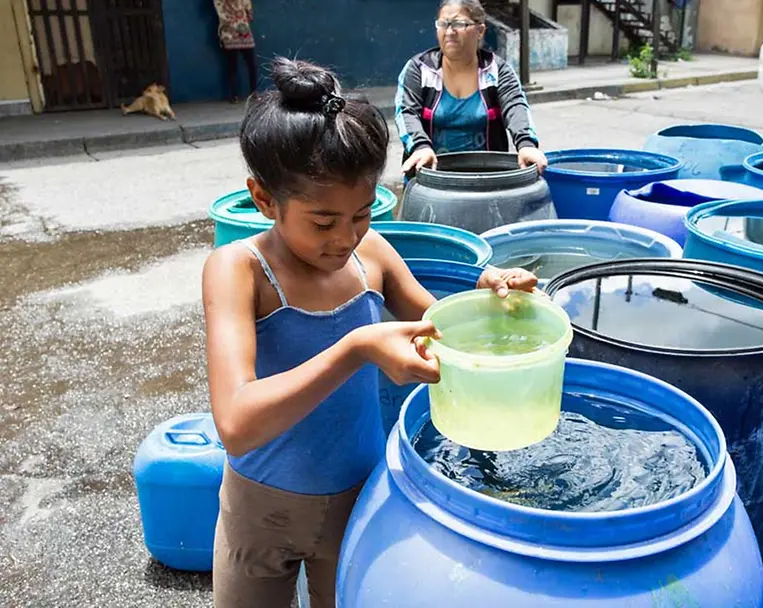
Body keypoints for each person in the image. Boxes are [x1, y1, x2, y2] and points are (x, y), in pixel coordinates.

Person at [202, 57, 538, 607]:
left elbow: (443, 329)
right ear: (264, 198)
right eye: (322, 222)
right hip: (260, 509)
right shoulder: (239, 271)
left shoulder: (372, 254)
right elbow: (236, 423)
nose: (345, 238)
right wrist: (356, 346)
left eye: (361, 214)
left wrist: (496, 298)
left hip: (360, 495)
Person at [395, 0, 548, 176]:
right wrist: (420, 146)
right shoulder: (419, 69)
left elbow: (516, 106)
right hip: (429, 178)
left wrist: (526, 144)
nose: (450, 32)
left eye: (459, 24)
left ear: (480, 31)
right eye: (443, 24)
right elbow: (406, 112)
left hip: (486, 179)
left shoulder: (498, 71)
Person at [213, 0, 258, 103]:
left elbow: (248, 8)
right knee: (232, 65)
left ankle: (253, 92)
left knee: (251, 64)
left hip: (244, 30)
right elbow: (221, 13)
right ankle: (234, 95)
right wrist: (234, 22)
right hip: (229, 33)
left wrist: (247, 14)